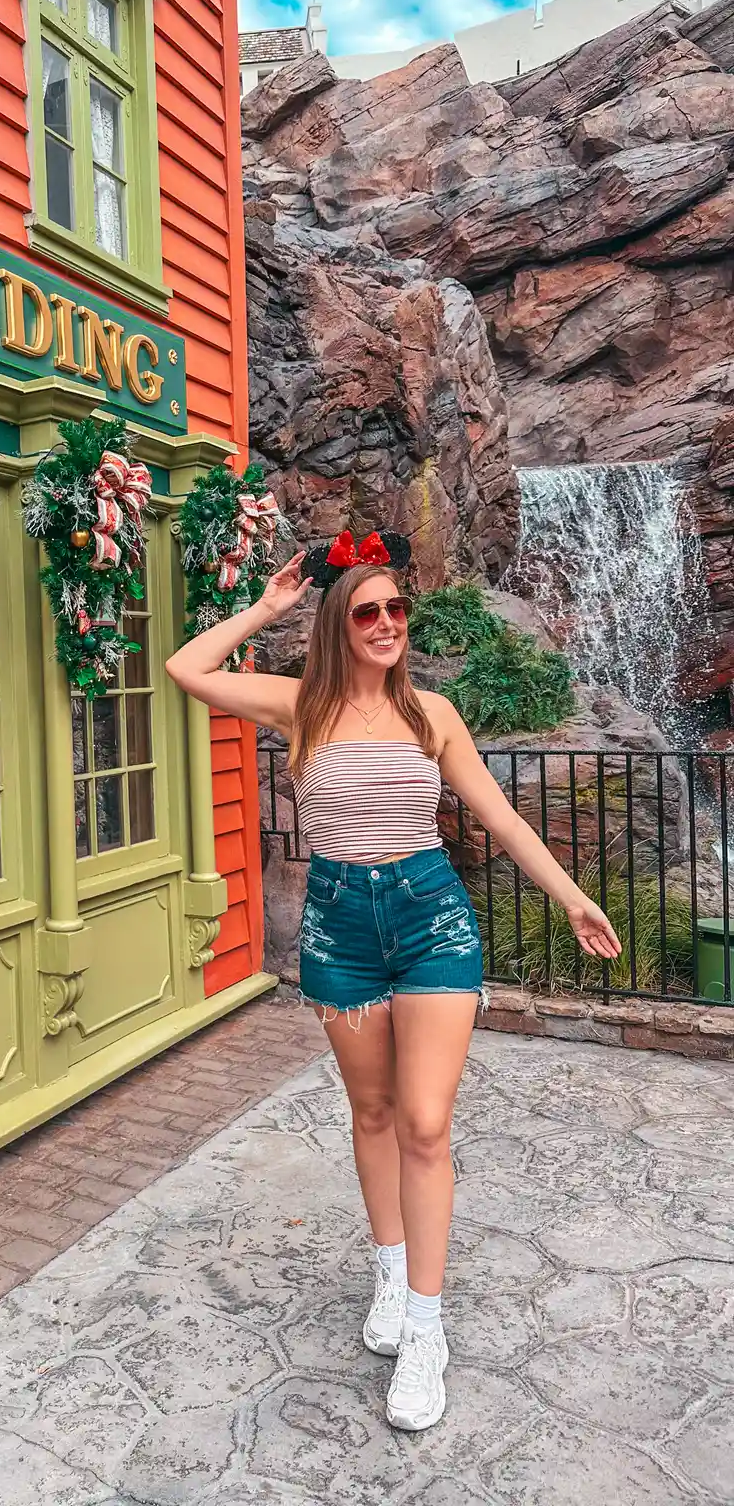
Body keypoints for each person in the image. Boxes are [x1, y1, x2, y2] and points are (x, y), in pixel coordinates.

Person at [164, 529, 621, 1433]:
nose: (386, 623)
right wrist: (265, 608)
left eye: (396, 609)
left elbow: (497, 817)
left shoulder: (433, 716)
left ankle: (425, 1328)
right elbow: (187, 667)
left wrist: (571, 898)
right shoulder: (301, 706)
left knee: (423, 1121)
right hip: (340, 929)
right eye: (368, 610)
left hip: (429, 920)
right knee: (370, 1114)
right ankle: (388, 1270)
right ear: (341, 621)